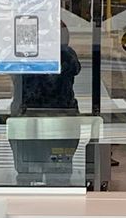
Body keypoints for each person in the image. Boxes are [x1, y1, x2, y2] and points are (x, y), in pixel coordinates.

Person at [10, 41, 81, 187]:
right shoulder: (66, 54)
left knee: (28, 171)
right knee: (58, 173)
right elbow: (74, 68)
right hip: (59, 115)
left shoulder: (23, 54)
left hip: (31, 116)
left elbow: (14, 75)